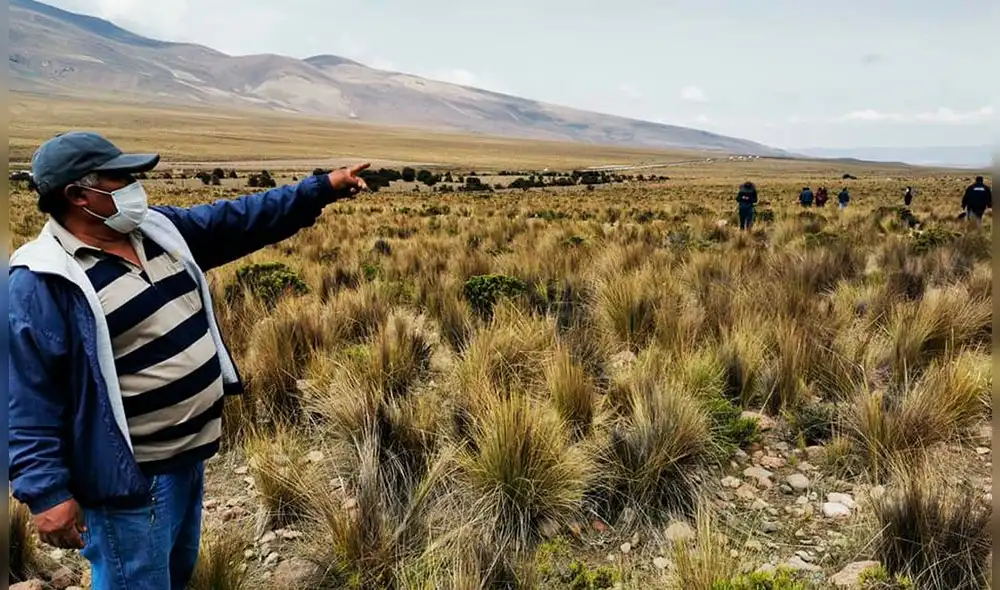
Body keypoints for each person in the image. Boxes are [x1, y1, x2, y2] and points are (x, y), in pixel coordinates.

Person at [8, 131, 370, 590]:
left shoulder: (158, 231)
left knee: (176, 577)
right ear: (78, 195)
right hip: (130, 483)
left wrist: (322, 187)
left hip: (189, 460)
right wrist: (46, 492)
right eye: (122, 179)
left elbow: (240, 219)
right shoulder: (42, 281)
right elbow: (26, 396)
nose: (137, 187)